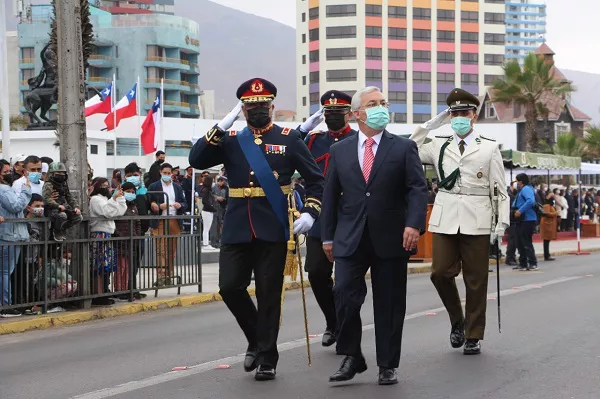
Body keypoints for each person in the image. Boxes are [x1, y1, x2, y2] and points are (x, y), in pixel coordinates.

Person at [188, 77, 324, 381]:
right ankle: (256, 338)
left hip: (273, 226)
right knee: (229, 287)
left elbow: (316, 180)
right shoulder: (233, 140)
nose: (258, 111)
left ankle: (267, 357)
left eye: (263, 106)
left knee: (268, 294)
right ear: (243, 110)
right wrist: (220, 128)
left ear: (272, 107)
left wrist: (311, 212)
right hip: (236, 226)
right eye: (251, 107)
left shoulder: (289, 138)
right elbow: (196, 159)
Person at [321, 86, 428, 385]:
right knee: (343, 294)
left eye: (383, 102)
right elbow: (330, 196)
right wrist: (327, 237)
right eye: (373, 103)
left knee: (390, 302)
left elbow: (417, 188)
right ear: (356, 114)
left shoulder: (403, 147)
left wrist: (414, 224)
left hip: (392, 236)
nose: (381, 107)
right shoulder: (339, 150)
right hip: (349, 236)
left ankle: (387, 363)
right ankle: (352, 355)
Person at [409, 88, 509, 355]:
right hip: (446, 214)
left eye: (463, 113)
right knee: (440, 272)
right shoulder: (439, 142)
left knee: (476, 279)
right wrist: (432, 124)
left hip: (478, 214)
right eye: (454, 114)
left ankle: (473, 334)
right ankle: (457, 320)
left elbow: (499, 187)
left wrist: (502, 223)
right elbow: (411, 148)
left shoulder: (488, 146)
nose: (459, 118)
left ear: (474, 116)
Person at [297, 90, 358, 349]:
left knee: (346, 280)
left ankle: (345, 324)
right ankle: (333, 321)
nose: (333, 117)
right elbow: (285, 146)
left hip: (349, 214)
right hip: (320, 214)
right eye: (328, 113)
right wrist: (302, 129)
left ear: (349, 114)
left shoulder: (359, 139)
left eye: (338, 112)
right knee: (317, 273)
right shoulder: (313, 141)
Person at [88, 178, 127, 304]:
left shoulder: (106, 199)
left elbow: (118, 212)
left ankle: (104, 291)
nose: (106, 188)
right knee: (98, 266)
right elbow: (107, 212)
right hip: (99, 235)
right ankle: (98, 294)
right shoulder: (95, 199)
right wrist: (113, 199)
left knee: (106, 267)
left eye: (107, 185)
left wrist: (119, 198)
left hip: (107, 235)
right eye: (103, 186)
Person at [0, 160, 31, 317]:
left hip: (9, 235)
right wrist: (26, 191)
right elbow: (16, 206)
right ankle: (6, 305)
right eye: (6, 171)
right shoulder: (4, 190)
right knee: (5, 271)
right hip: (9, 236)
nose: (9, 173)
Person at [148, 163, 188, 286]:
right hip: (160, 219)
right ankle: (161, 276)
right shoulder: (154, 186)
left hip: (174, 219)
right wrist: (159, 206)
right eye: (164, 173)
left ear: (172, 173)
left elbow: (184, 202)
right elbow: (150, 202)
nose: (167, 175)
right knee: (161, 249)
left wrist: (180, 205)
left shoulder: (177, 187)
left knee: (172, 250)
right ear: (160, 172)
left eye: (168, 173)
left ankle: (169, 275)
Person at [123, 162, 150, 299]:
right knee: (127, 264)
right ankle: (125, 290)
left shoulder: (143, 192)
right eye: (130, 175)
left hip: (141, 233)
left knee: (136, 262)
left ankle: (133, 289)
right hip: (127, 233)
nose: (133, 177)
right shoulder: (123, 193)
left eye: (135, 175)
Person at [41, 162, 83, 241]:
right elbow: (46, 198)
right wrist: (57, 205)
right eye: (58, 172)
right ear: (52, 173)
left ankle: (61, 229)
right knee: (62, 216)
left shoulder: (63, 183)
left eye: (62, 172)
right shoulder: (48, 184)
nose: (61, 174)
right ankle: (56, 231)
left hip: (62, 207)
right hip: (52, 209)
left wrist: (76, 207)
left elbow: (69, 196)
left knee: (78, 217)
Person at [512, 173, 538, 271]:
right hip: (521, 220)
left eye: (517, 181)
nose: (516, 183)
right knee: (519, 242)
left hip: (527, 219)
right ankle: (523, 263)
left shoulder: (526, 189)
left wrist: (520, 210)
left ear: (521, 182)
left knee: (526, 242)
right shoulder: (522, 190)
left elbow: (530, 201)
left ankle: (532, 262)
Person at [199, 175, 217, 250]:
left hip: (208, 210)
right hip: (207, 210)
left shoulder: (207, 189)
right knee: (206, 228)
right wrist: (212, 208)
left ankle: (206, 244)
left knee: (207, 228)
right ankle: (206, 244)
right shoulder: (206, 190)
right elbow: (205, 201)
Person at [540, 191, 558, 261]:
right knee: (546, 240)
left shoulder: (550, 204)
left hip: (549, 224)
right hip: (546, 224)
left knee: (547, 240)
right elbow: (546, 213)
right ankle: (546, 255)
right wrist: (555, 213)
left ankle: (547, 255)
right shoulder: (546, 205)